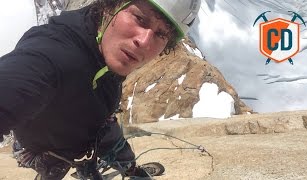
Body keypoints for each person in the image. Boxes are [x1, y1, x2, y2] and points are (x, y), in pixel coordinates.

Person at [0, 0, 201, 179]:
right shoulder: (55, 52)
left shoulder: (108, 45)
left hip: (94, 130)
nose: (144, 42)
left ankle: (127, 168)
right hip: (50, 151)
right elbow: (23, 75)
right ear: (109, 7)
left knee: (112, 139)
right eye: (140, 18)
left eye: (161, 34)